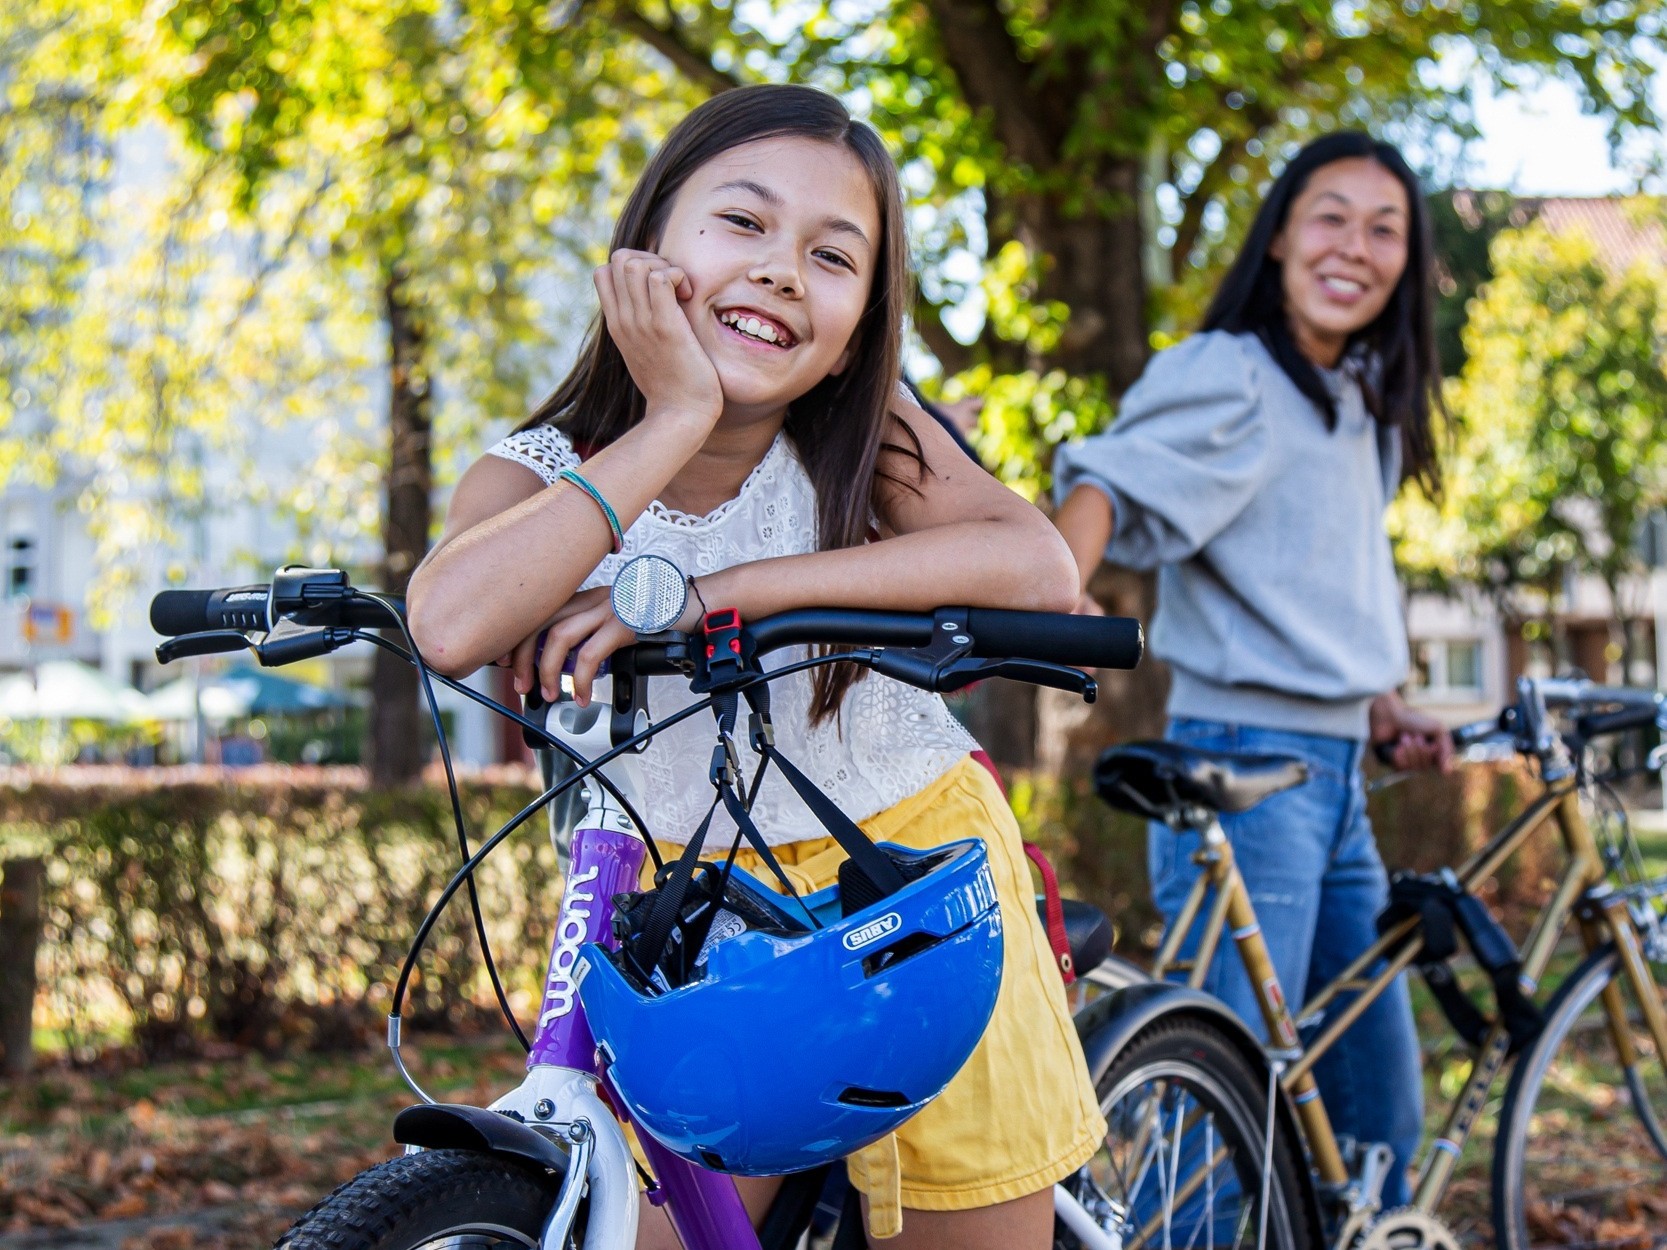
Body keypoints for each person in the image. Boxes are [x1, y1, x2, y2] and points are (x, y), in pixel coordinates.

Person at [407, 84, 1105, 1250]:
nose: (783, 269)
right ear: (647, 251)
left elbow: (1034, 564)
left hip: (911, 870)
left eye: (832, 255)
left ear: (857, 324)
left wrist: (722, 592)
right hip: (689, 898)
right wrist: (674, 413)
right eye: (742, 222)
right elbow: (449, 616)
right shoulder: (545, 470)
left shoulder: (863, 440)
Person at [1051, 131, 1452, 1208]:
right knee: (1220, 1121)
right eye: (1330, 216)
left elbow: (1315, 578)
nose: (1355, 247)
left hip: (1333, 779)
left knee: (1373, 1113)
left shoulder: (1357, 396)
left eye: (1384, 229)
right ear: (1277, 235)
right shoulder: (1228, 373)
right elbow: (1107, 484)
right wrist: (1054, 582)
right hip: (1238, 768)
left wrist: (1379, 702)